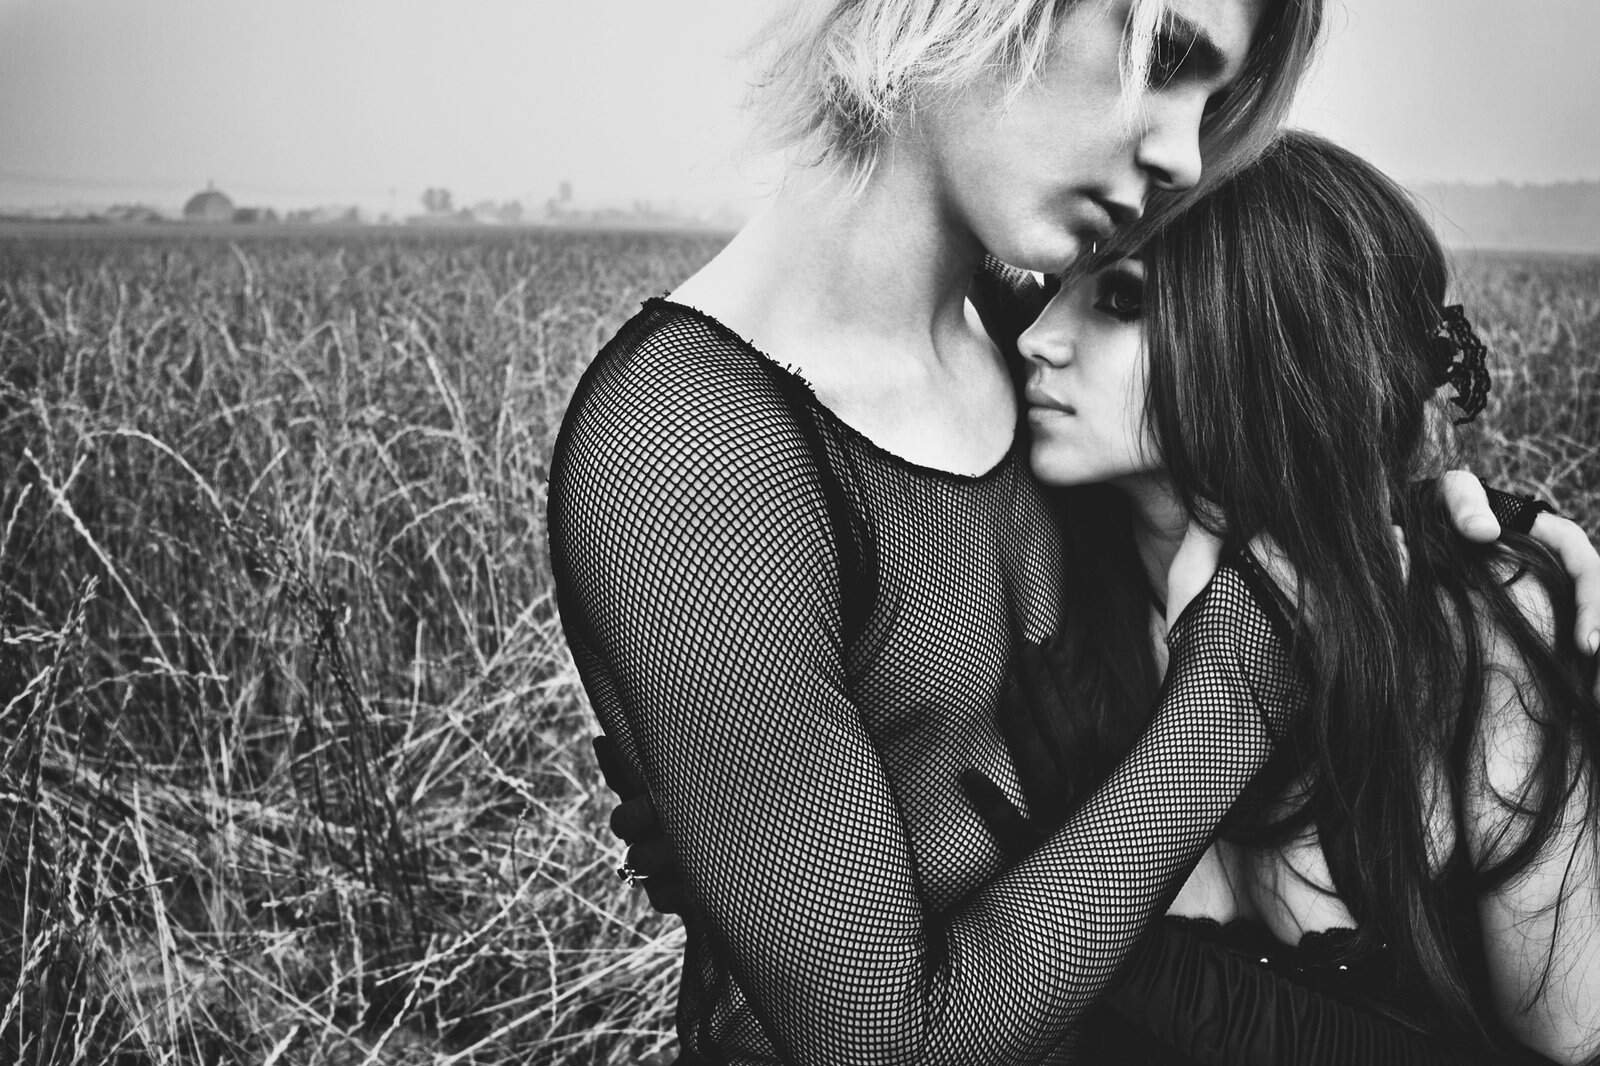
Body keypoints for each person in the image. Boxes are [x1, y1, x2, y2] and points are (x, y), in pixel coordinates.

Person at [547, 1, 1600, 1062]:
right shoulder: (689, 443)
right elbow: (879, 1044)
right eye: (1166, 57)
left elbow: (1253, 406)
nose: (1184, 153)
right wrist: (1243, 675)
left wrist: (1456, 534)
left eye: (1214, 99)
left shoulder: (1014, 347)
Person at [969, 130, 1599, 1063]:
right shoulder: (1032, 592)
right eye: (1060, 286)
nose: (1039, 338)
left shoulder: (1466, 638)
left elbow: (1574, 1041)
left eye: (1123, 298)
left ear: (1269, 342)